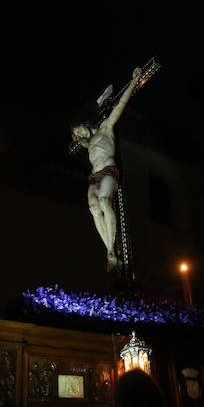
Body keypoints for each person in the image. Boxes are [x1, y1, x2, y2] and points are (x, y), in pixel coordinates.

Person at [71, 67, 142, 271]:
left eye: (79, 130)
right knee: (94, 208)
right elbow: (76, 138)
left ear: (85, 124)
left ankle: (111, 250)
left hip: (110, 170)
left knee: (104, 201)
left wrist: (134, 80)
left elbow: (121, 103)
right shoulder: (87, 143)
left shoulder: (106, 128)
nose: (79, 134)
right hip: (95, 176)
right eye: (76, 133)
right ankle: (110, 252)